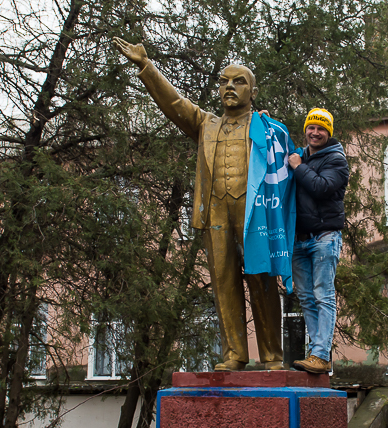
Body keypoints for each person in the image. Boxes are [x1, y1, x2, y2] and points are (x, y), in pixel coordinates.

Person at [113, 37, 292, 372]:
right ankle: (234, 353)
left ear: (253, 93)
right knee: (223, 282)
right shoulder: (206, 124)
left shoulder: (265, 126)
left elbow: (285, 164)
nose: (229, 86)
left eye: (239, 82)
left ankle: (272, 356)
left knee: (262, 281)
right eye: (224, 81)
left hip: (255, 213)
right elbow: (174, 104)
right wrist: (146, 66)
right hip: (216, 213)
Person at [287, 108, 349, 374]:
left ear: (329, 133)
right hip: (298, 241)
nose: (315, 132)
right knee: (306, 298)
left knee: (323, 295)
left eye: (321, 128)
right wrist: (261, 121)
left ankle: (321, 355)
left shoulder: (337, 160)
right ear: (306, 130)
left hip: (324, 238)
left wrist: (299, 167)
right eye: (311, 127)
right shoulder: (299, 156)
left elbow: (322, 187)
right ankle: (315, 354)